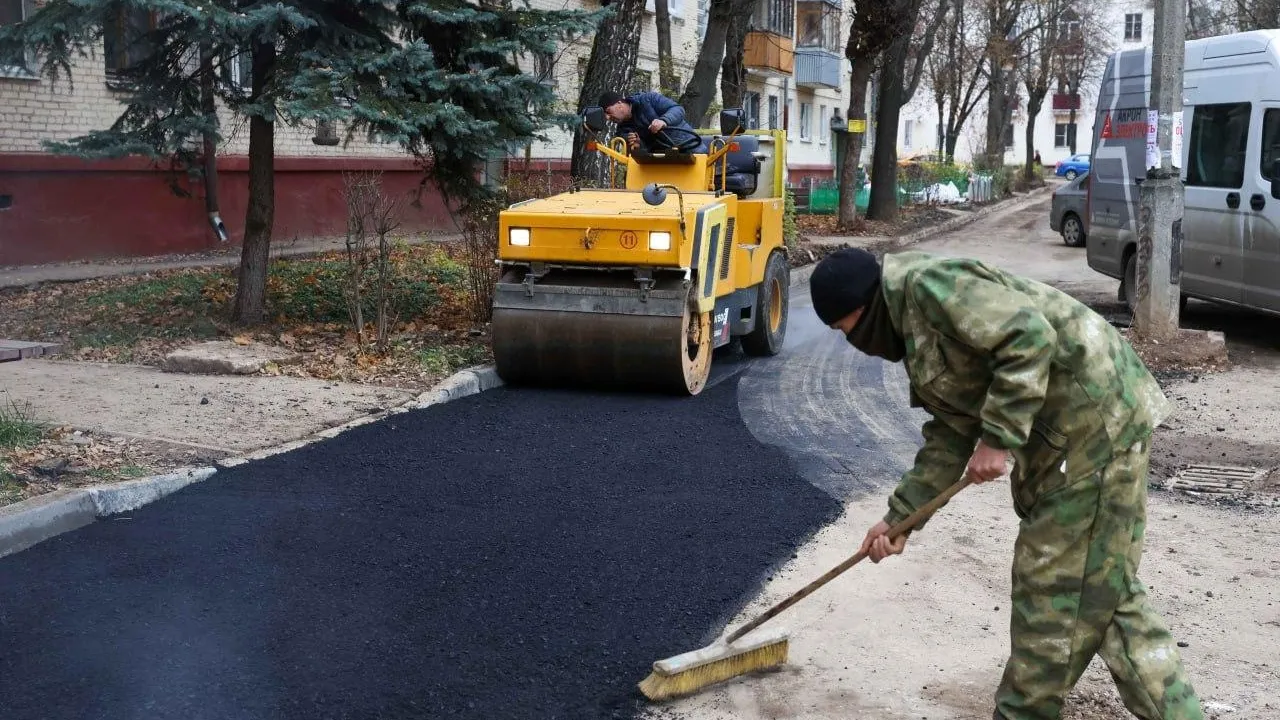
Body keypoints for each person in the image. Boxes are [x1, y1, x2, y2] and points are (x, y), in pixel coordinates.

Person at [808, 247, 1205, 720]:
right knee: (1101, 591)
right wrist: (899, 519)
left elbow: (1027, 336)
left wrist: (997, 438)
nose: (848, 340)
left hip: (1092, 430)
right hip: (1072, 438)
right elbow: (951, 431)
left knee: (1051, 588)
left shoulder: (930, 288)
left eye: (842, 329)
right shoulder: (909, 322)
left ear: (859, 309)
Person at [598, 90, 703, 154]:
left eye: (608, 111)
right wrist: (637, 146)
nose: (607, 118)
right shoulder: (623, 131)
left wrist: (663, 121)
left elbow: (678, 109)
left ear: (619, 104)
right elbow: (638, 156)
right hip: (659, 162)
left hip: (691, 148)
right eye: (605, 115)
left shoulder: (649, 99)